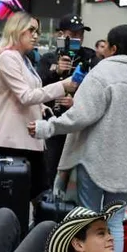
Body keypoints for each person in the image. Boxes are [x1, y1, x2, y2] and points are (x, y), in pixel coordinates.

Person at [29, 24, 127, 252]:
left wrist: (46, 128)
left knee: (89, 220)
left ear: (113, 47)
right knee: (115, 223)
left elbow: (80, 116)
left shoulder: (103, 74)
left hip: (96, 159)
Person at [0, 12, 77, 198]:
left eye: (37, 31)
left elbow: (27, 94)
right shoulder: (8, 58)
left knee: (38, 193)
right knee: (20, 197)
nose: (35, 35)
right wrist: (62, 85)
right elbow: (25, 96)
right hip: (15, 140)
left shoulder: (25, 59)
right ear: (16, 30)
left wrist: (41, 108)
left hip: (31, 137)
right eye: (30, 30)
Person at [38, 14, 91, 188]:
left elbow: (96, 90)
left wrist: (76, 101)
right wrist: (57, 73)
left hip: (80, 126)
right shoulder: (48, 59)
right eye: (73, 34)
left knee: (79, 175)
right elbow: (39, 89)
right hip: (54, 124)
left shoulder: (89, 58)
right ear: (61, 35)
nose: (78, 38)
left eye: (80, 35)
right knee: (49, 169)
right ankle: (46, 209)